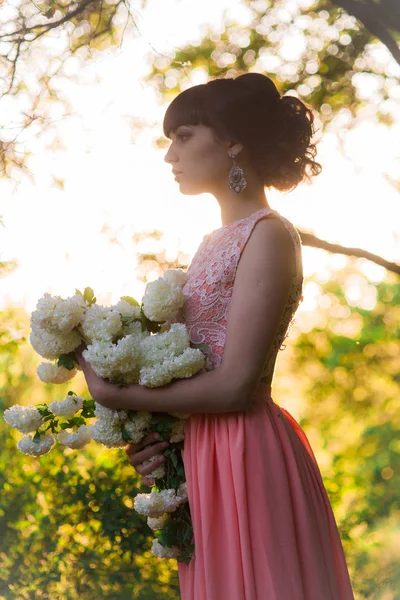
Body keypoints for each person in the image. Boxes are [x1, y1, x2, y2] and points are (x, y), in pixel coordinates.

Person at [78, 73, 355, 599]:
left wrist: (116, 394)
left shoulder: (269, 235)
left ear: (232, 140)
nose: (170, 156)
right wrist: (152, 434)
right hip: (202, 453)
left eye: (183, 136)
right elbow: (193, 368)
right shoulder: (210, 243)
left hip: (246, 449)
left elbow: (234, 386)